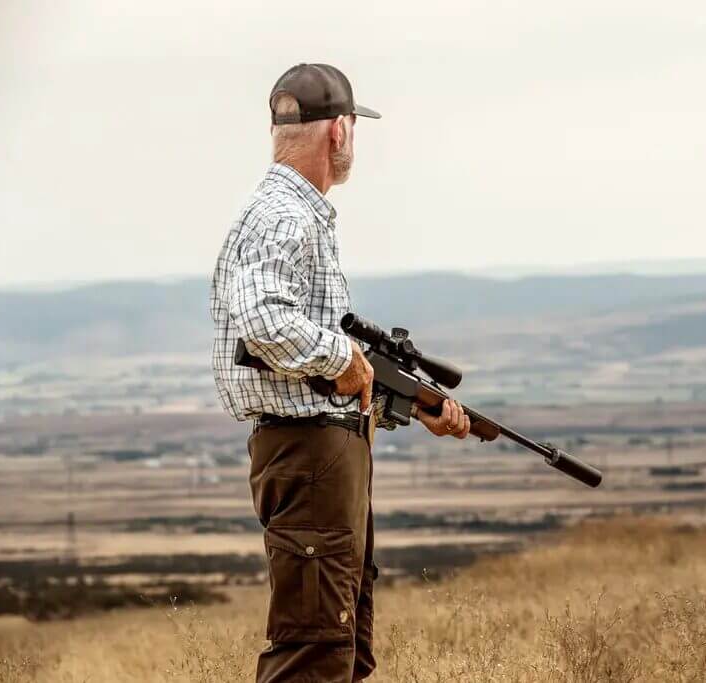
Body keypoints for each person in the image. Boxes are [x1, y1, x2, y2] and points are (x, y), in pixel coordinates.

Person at [209, 62, 471, 683]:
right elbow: (265, 323)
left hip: (325, 452)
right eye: (354, 128)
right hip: (308, 456)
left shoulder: (298, 214)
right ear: (340, 132)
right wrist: (345, 359)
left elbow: (313, 372)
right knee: (313, 651)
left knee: (343, 646)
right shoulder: (282, 214)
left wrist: (405, 403)